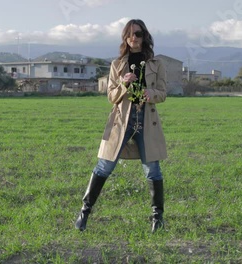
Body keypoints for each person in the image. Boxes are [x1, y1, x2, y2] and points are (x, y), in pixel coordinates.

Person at [75, 19, 167, 233]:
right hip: (121, 121)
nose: (134, 38)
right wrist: (125, 84)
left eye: (138, 34)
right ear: (125, 38)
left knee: (153, 170)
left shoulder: (156, 64)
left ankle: (157, 219)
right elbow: (111, 97)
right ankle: (84, 213)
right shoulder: (117, 64)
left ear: (145, 37)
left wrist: (150, 94)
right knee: (104, 166)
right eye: (130, 34)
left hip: (147, 120)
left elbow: (163, 93)